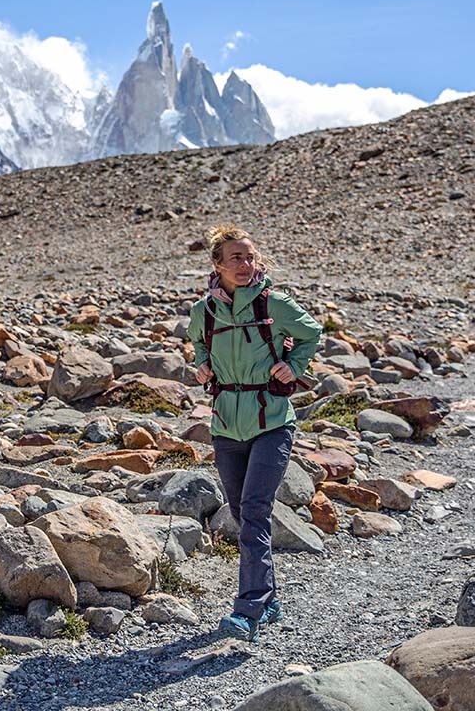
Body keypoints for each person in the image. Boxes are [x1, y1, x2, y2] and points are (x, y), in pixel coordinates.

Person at [187, 224, 323, 642]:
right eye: (235, 259)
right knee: (244, 515)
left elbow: (311, 333)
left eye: (249, 257)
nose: (245, 265)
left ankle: (247, 609)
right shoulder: (203, 312)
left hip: (272, 423)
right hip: (226, 424)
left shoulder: (274, 304)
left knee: (256, 511)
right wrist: (203, 366)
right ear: (217, 265)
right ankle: (269, 601)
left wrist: (293, 367)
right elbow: (199, 346)